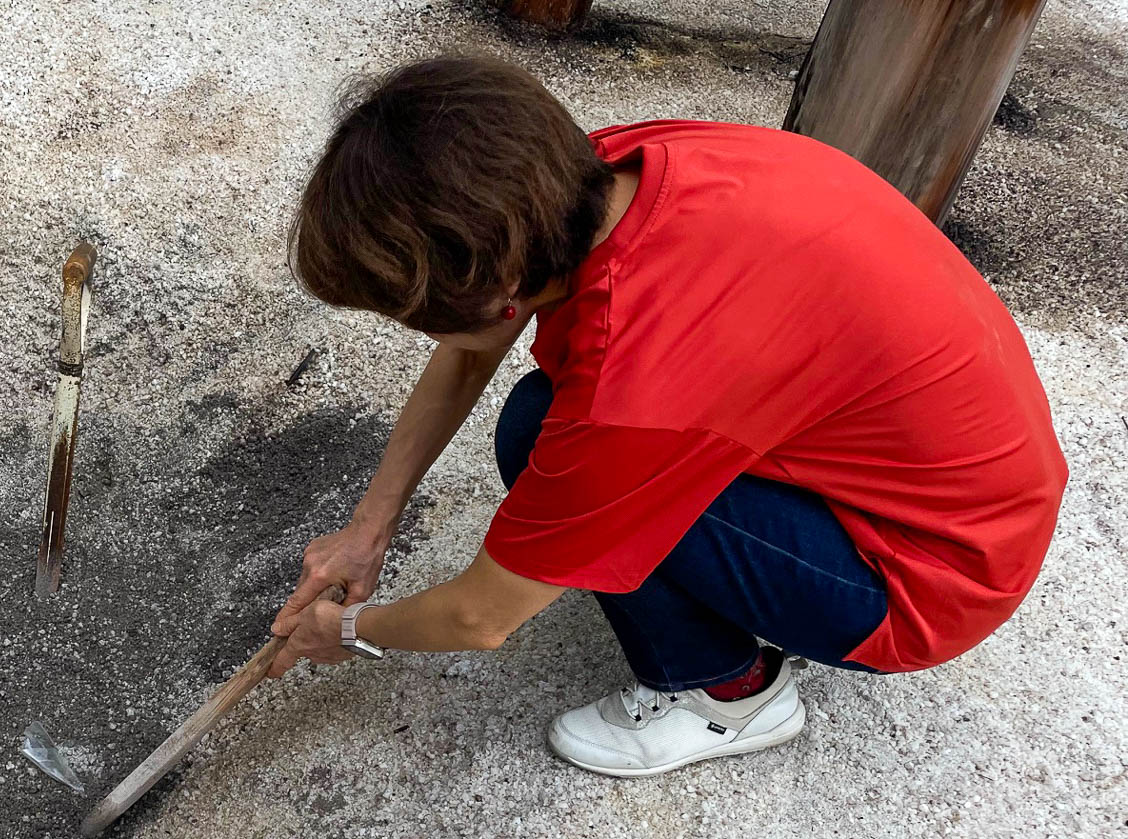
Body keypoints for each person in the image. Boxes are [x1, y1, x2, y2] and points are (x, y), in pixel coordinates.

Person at [267, 55, 1067, 777]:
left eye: (417, 318)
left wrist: (349, 631)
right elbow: (479, 340)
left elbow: (482, 615)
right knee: (545, 424)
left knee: (541, 434)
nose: (421, 335)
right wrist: (368, 528)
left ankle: (731, 695)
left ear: (495, 287)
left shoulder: (637, 383)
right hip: (972, 483)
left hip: (927, 577)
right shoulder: (607, 167)